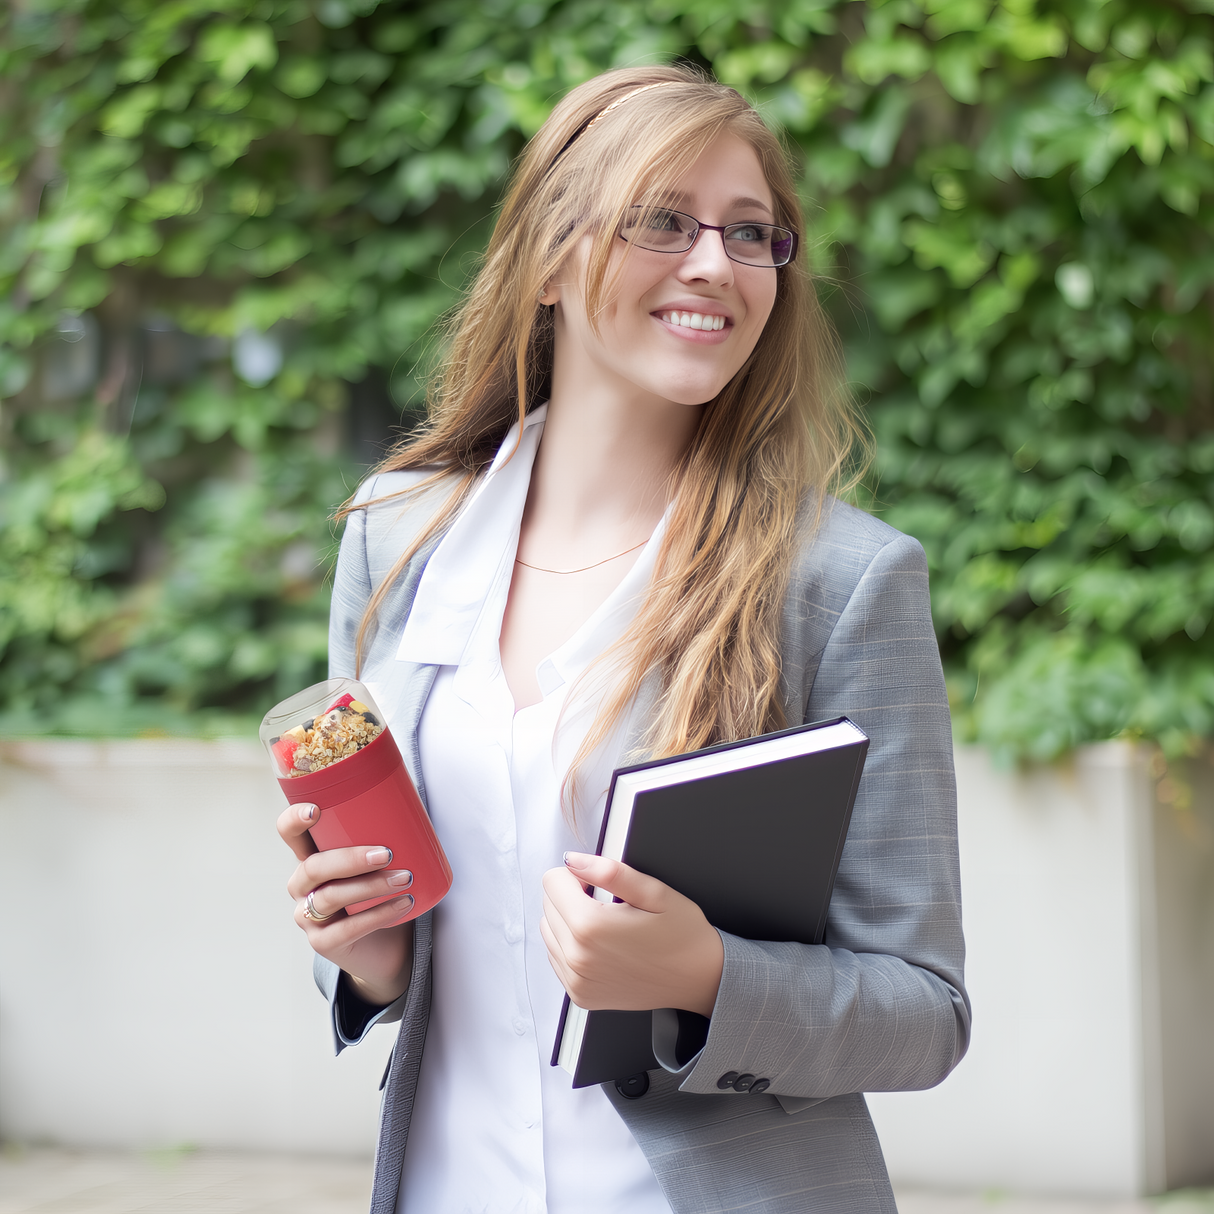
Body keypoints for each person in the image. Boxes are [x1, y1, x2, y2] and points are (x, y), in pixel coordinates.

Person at [276, 64, 970, 1214]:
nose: (713, 263)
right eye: (661, 219)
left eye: (751, 233)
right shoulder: (396, 538)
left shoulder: (840, 582)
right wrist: (367, 955)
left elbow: (923, 1009)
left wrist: (703, 975)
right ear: (548, 259)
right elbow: (404, 939)